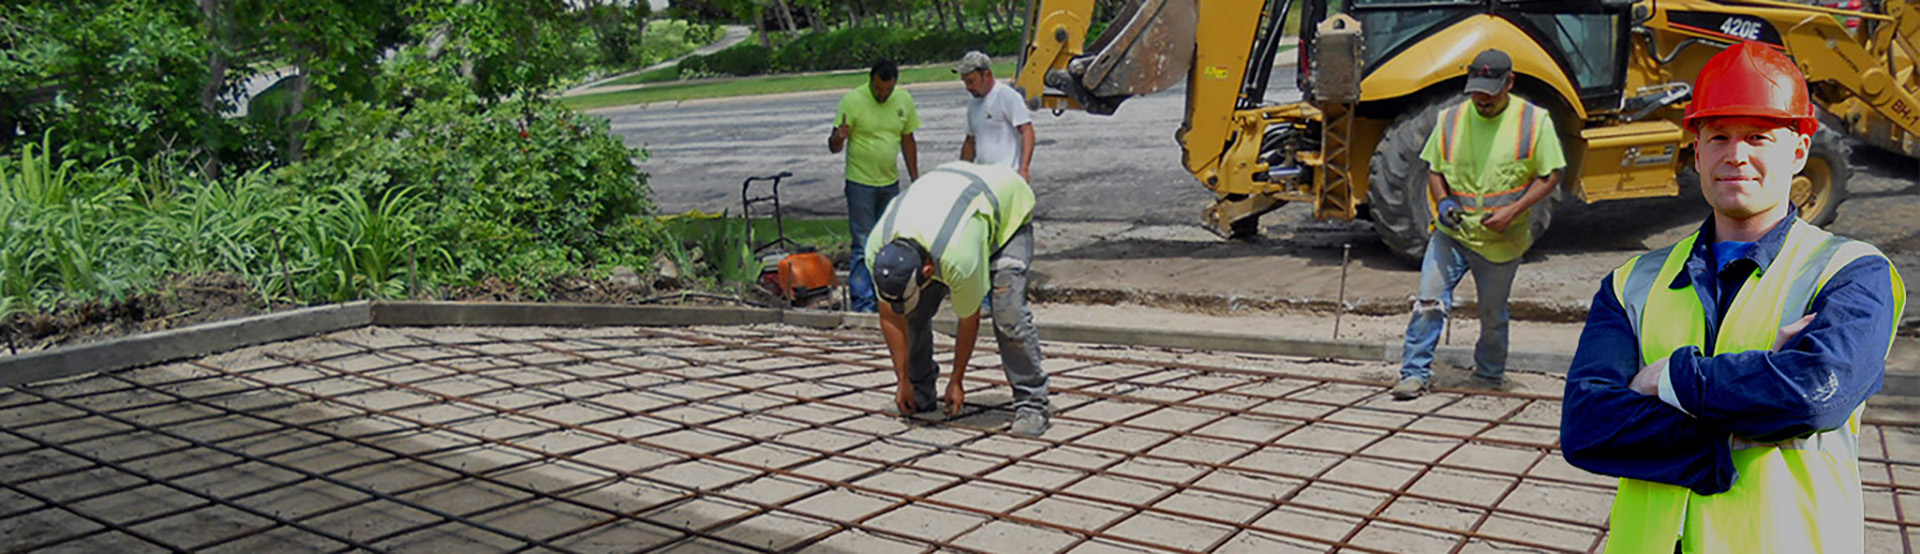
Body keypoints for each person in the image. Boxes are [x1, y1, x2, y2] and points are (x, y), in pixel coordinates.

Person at [1559, 41, 1904, 552]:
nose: (1736, 155)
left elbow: (1813, 395)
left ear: (1800, 150)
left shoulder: (1851, 273)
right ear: (1696, 152)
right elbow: (1587, 426)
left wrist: (1671, 380)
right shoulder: (1630, 283)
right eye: (1718, 135)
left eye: (1759, 136)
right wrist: (1745, 421)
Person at [1390, 48, 1565, 400]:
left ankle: (1488, 375)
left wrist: (1513, 211)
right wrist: (1445, 203)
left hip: (1502, 239)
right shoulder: (1451, 119)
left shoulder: (1534, 121)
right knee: (1428, 301)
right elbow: (1435, 169)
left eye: (1490, 90)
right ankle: (1414, 373)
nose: (1481, 98)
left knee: (1492, 315)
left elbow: (1550, 176)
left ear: (1509, 82)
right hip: (1452, 233)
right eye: (1476, 90)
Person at [867, 161, 1049, 436]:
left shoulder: (957, 259)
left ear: (927, 271)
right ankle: (920, 391)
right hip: (950, 203)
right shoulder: (878, 252)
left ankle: (1032, 404)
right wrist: (902, 379)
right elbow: (890, 316)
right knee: (914, 311)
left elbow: (968, 319)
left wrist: (957, 380)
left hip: (1006, 208)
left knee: (1007, 312)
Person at [830, 58, 921, 313]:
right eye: (878, 89)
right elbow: (833, 145)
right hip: (860, 182)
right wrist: (840, 136)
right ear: (871, 81)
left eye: (887, 90)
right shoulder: (853, 100)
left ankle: (885, 296)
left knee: (886, 242)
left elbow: (908, 140)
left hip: (889, 181)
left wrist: (915, 178)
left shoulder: (903, 100)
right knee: (862, 242)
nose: (882, 94)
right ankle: (863, 302)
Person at [954, 51, 1035, 181]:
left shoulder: (1006, 95)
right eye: (965, 82)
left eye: (971, 81)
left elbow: (1027, 130)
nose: (968, 87)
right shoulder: (973, 103)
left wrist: (1024, 168)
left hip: (1007, 175)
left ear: (987, 75)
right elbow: (970, 141)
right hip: (984, 176)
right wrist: (962, 172)